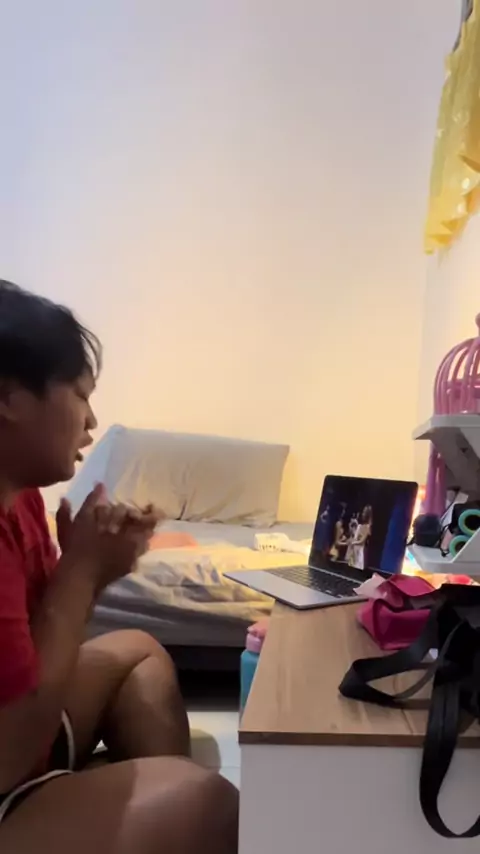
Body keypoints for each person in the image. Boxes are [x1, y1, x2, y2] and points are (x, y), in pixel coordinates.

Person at [0, 281, 238, 854]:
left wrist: (88, 568)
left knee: (139, 652)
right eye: (80, 394)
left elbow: (37, 648)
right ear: (7, 397)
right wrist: (80, 575)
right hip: (7, 756)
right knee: (205, 799)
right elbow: (8, 754)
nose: (91, 420)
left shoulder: (22, 498)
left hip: (21, 733)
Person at [349, 506, 372, 570]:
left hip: (359, 551)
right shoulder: (359, 526)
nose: (362, 514)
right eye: (363, 512)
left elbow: (362, 541)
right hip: (354, 550)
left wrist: (353, 543)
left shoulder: (367, 527)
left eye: (364, 512)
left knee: (356, 567)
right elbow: (355, 536)